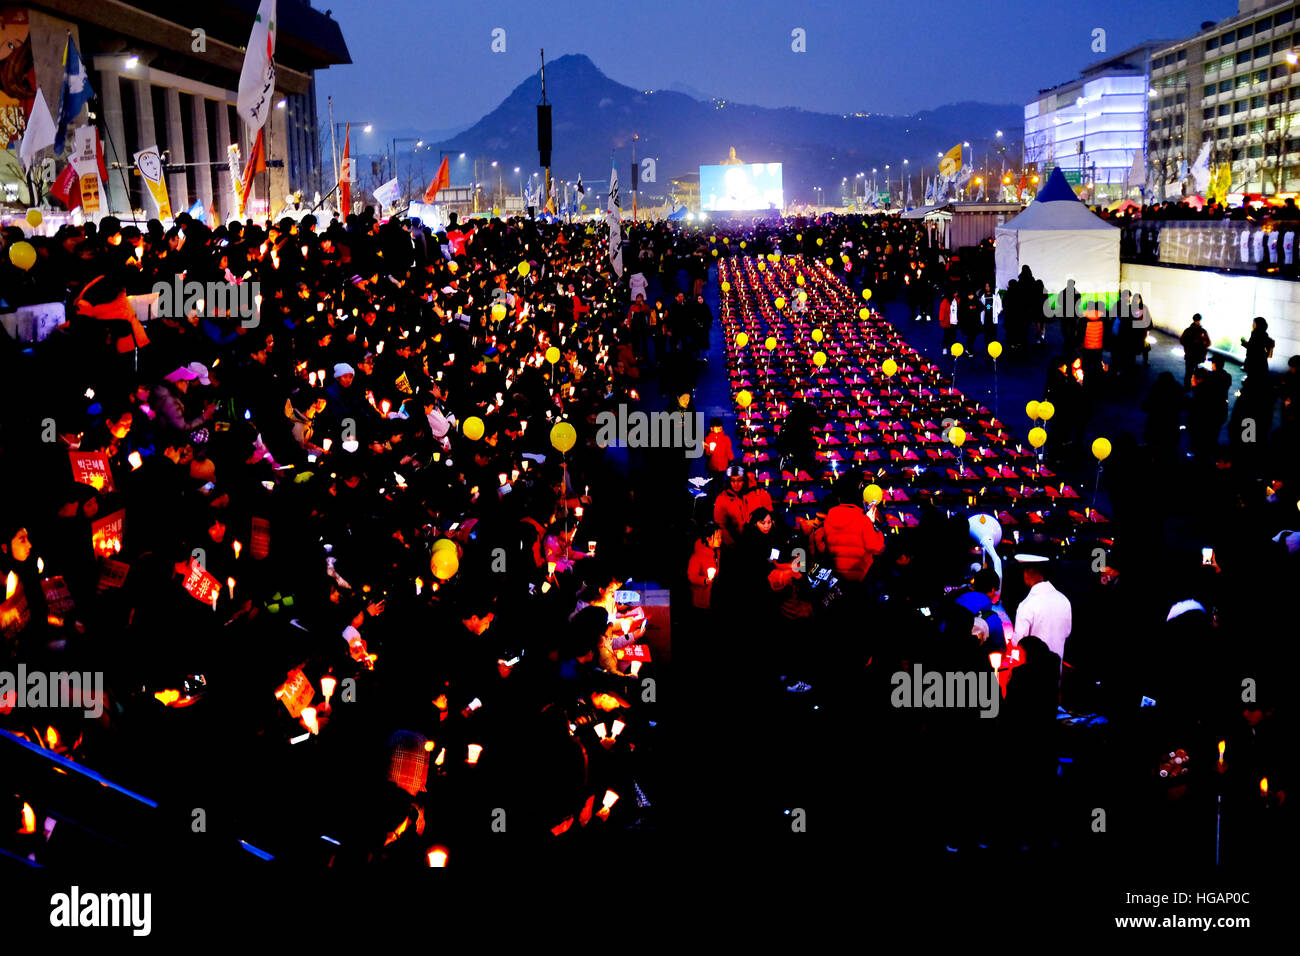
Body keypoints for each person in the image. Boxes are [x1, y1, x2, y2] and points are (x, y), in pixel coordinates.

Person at [810, 473, 885, 583]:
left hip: (837, 578)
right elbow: (876, 547)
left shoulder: (831, 516)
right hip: (860, 578)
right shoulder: (863, 520)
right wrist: (875, 527)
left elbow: (825, 547)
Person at [1010, 559, 1072, 673]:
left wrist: (1011, 640)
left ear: (1026, 574)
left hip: (1034, 672)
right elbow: (1067, 632)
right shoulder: (1064, 600)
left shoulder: (1027, 604)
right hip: (1056, 672)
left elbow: (1019, 640)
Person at [1180, 313, 1211, 388]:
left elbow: (1208, 342)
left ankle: (1191, 386)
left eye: (1199, 320)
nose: (1199, 322)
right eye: (1198, 320)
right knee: (1190, 373)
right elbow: (1182, 341)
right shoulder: (1194, 331)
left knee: (1192, 373)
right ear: (1195, 321)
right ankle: (1189, 387)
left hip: (1196, 356)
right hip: (1193, 356)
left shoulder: (1201, 331)